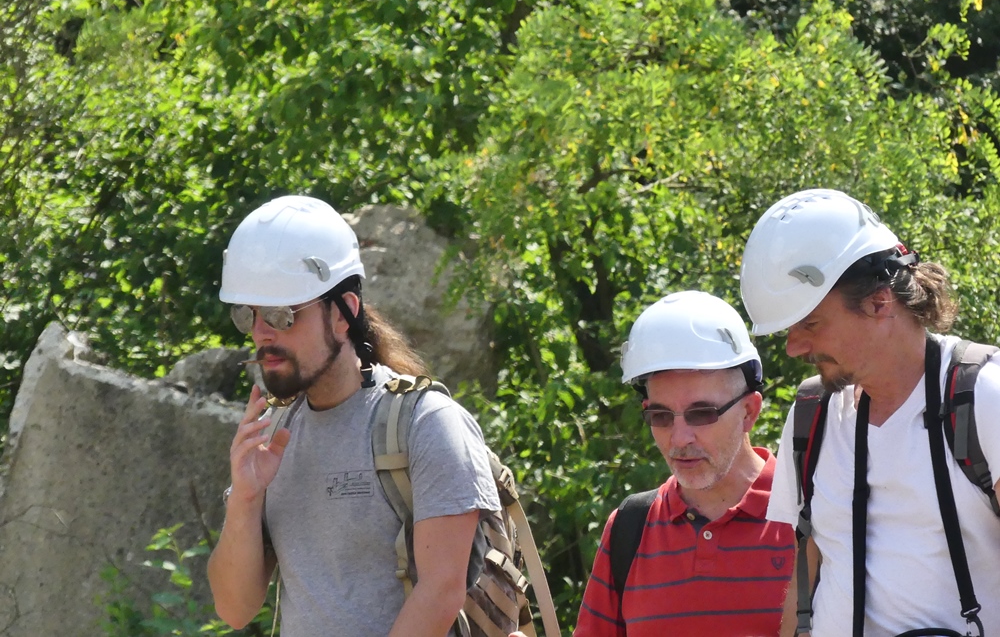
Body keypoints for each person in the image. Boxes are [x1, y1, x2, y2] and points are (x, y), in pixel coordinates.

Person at [206, 195, 501, 637]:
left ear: (344, 313)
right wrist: (245, 498)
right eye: (248, 315)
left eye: (282, 315)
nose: (261, 333)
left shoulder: (427, 423)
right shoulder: (275, 434)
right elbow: (234, 608)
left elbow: (442, 592)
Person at [740, 188, 1000, 637]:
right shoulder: (812, 416)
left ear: (880, 302)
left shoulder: (982, 397)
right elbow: (808, 572)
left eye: (810, 324)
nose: (794, 347)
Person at [520, 291, 794, 637]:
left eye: (701, 413)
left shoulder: (810, 517)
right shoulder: (629, 528)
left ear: (749, 411)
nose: (679, 439)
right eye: (661, 416)